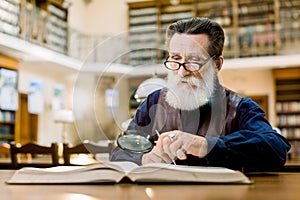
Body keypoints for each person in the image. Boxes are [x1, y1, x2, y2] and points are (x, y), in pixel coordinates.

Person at [111, 17, 291, 171]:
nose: (182, 72)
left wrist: (205, 145)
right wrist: (145, 159)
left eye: (194, 61)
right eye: (175, 59)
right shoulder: (154, 102)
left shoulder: (240, 107)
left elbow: (275, 147)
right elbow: (120, 151)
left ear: (217, 64)